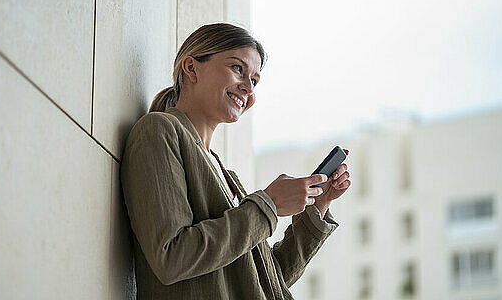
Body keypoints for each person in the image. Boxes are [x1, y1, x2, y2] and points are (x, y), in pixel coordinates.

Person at [120, 23, 352, 299]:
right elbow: (171, 256)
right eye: (238, 69)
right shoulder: (159, 131)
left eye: (254, 80)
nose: (247, 88)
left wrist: (319, 206)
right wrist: (268, 205)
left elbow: (264, 279)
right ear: (191, 68)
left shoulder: (226, 175)